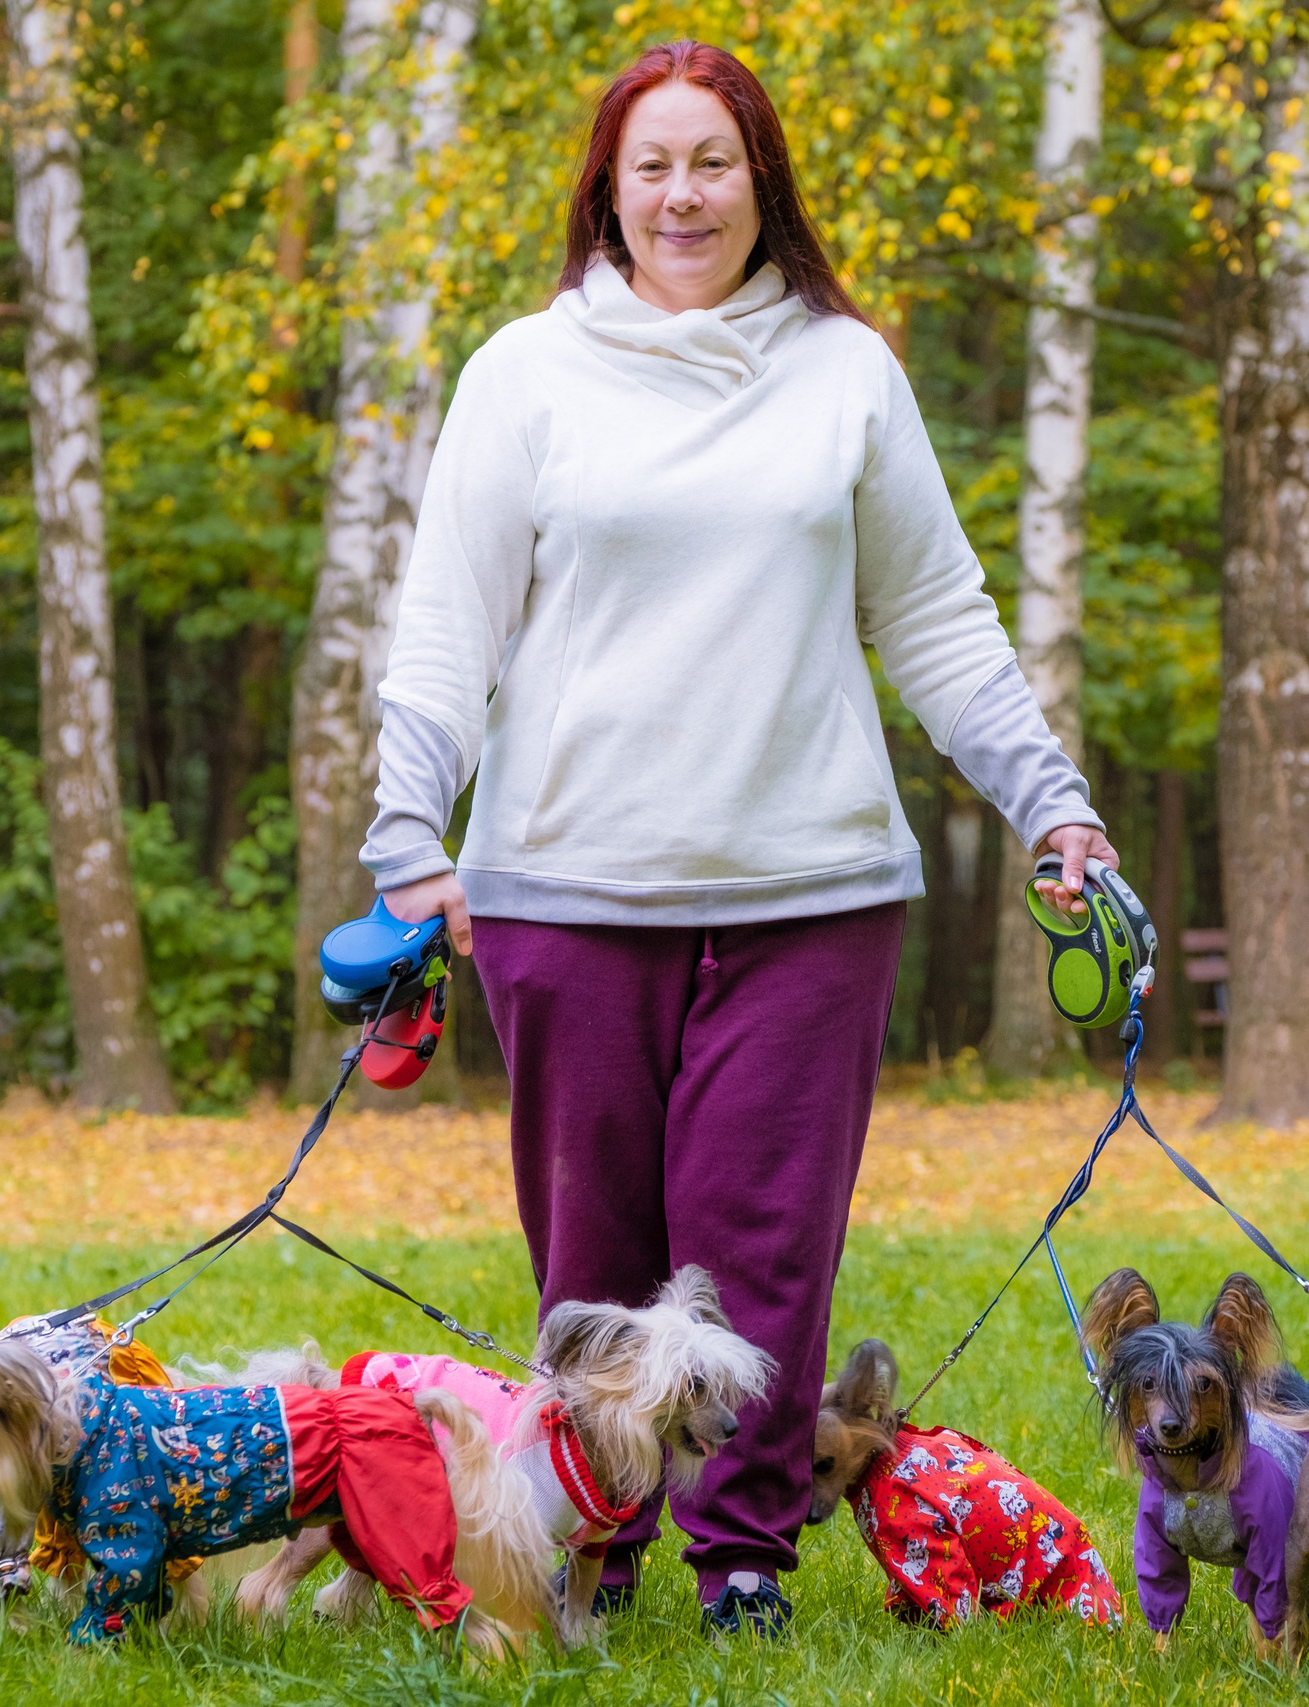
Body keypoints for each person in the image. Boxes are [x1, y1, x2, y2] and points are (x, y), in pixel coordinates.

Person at [360, 38, 1115, 1638]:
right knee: (597, 1253)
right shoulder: (526, 374)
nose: (686, 193)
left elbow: (936, 617)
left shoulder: (845, 372)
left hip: (811, 888)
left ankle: (748, 1561)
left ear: (761, 181)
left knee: (765, 1248)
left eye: (715, 162)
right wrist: (408, 833)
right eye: (655, 165)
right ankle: (599, 1541)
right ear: (607, 191)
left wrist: (1053, 800)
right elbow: (446, 629)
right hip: (566, 885)